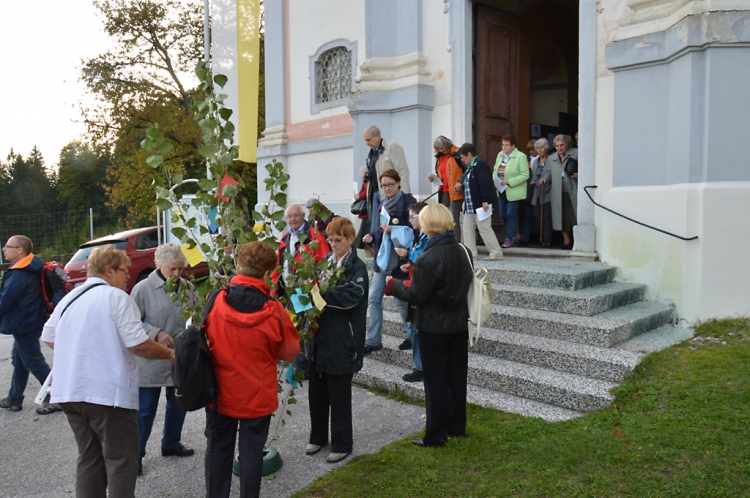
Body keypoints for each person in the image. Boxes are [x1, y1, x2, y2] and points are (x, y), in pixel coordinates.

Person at [41, 244, 174, 498]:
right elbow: (138, 344)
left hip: (69, 392)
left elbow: (49, 336)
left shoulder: (70, 298)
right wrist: (169, 355)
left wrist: (81, 354)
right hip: (107, 396)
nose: (128, 276)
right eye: (125, 271)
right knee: (122, 459)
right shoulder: (116, 297)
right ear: (109, 271)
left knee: (89, 457)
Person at [203, 241, 300, 498]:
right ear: (268, 274)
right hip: (256, 396)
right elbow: (289, 352)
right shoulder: (275, 311)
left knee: (217, 451)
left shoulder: (214, 301)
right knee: (251, 456)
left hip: (220, 393)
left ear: (237, 266)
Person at [385, 204, 473, 447]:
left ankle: (435, 435)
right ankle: (456, 426)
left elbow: (418, 296)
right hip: (457, 323)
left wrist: (394, 286)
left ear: (429, 225)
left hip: (433, 327)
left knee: (435, 382)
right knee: (456, 378)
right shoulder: (463, 250)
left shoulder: (428, 258)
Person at [130, 243, 198, 476]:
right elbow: (131, 322)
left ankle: (171, 443)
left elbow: (197, 316)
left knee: (178, 404)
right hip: (151, 360)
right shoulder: (142, 289)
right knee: (145, 410)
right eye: (172, 270)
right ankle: (135, 456)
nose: (177, 275)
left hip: (179, 359)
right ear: (158, 266)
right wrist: (155, 332)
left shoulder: (188, 287)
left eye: (181, 269)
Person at [306, 217, 368, 464]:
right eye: (330, 240)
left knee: (339, 397)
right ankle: (318, 436)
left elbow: (352, 297)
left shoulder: (357, 267)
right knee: (317, 393)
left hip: (343, 341)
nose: (333, 244)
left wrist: (319, 293)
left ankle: (342, 442)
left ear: (351, 239)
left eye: (338, 240)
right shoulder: (323, 263)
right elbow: (313, 292)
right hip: (319, 339)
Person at [361, 169, 416, 355]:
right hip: (382, 259)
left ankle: (410, 335)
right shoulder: (381, 202)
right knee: (373, 299)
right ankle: (374, 340)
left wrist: (394, 229)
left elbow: (412, 229)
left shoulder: (408, 201)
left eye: (390, 184)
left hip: (400, 259)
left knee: (401, 302)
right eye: (384, 185)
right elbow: (379, 228)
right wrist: (371, 235)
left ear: (398, 183)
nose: (387, 188)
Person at [0, 235, 55, 414]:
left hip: (23, 323)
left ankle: (57, 397)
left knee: (34, 361)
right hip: (31, 320)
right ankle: (14, 399)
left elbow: (5, 301)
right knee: (20, 360)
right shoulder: (33, 266)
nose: (4, 249)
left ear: (20, 250)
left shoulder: (19, 273)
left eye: (8, 246)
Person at [394, 202, 429, 382]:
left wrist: (408, 254)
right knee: (415, 328)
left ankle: (421, 367)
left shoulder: (427, 237)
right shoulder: (420, 235)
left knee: (417, 329)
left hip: (420, 287)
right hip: (415, 281)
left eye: (412, 216)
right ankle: (420, 365)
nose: (410, 220)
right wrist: (411, 264)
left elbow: (424, 258)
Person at [455, 143, 503, 261]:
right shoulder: (471, 166)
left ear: (469, 154)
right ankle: (471, 253)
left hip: (480, 203)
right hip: (470, 205)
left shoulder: (480, 165)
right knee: (467, 227)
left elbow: (484, 183)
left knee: (484, 227)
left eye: (463, 157)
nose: (462, 160)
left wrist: (485, 200)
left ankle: (496, 252)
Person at [362, 125, 411, 238]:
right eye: (365, 140)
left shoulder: (392, 147)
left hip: (391, 194)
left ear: (377, 136)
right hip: (375, 194)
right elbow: (372, 167)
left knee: (391, 226)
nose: (367, 143)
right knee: (377, 227)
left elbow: (402, 171)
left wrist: (403, 195)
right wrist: (363, 171)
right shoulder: (372, 152)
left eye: (368, 139)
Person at [272, 204, 331, 296]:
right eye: (289, 216)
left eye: (296, 215)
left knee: (303, 310)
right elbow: (277, 268)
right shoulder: (285, 238)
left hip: (306, 292)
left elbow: (325, 265)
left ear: (303, 215)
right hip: (286, 291)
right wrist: (273, 293)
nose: (292, 219)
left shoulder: (315, 236)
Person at [540, 134, 578, 249]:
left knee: (575, 217)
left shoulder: (577, 153)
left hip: (573, 190)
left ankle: (578, 241)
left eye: (562, 145)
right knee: (561, 217)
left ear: (567, 144)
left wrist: (581, 175)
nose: (559, 148)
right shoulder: (552, 158)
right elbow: (549, 173)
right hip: (558, 192)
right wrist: (545, 178)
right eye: (557, 146)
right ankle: (566, 242)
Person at [493, 135, 529, 248]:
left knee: (510, 214)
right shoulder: (500, 155)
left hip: (514, 190)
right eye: (503, 144)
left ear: (513, 146)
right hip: (501, 189)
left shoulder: (520, 156)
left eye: (507, 145)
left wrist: (509, 181)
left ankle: (508, 238)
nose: (504, 147)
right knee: (502, 214)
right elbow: (495, 169)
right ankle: (514, 234)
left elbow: (525, 175)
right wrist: (495, 180)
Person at [428, 136, 465, 242]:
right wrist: (434, 178)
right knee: (443, 218)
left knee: (454, 218)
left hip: (455, 190)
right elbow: (443, 174)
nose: (441, 151)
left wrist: (461, 183)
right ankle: (444, 241)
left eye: (442, 148)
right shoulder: (440, 158)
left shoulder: (457, 154)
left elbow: (466, 169)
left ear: (447, 145)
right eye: (439, 149)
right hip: (443, 190)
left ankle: (456, 242)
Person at [531, 138, 553, 247]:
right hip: (537, 193)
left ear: (547, 148)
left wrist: (545, 179)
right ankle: (541, 236)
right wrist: (533, 181)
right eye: (537, 148)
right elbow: (534, 176)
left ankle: (547, 240)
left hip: (548, 192)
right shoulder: (535, 162)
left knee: (546, 217)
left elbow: (552, 174)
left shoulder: (551, 160)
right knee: (537, 216)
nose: (539, 150)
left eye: (541, 148)